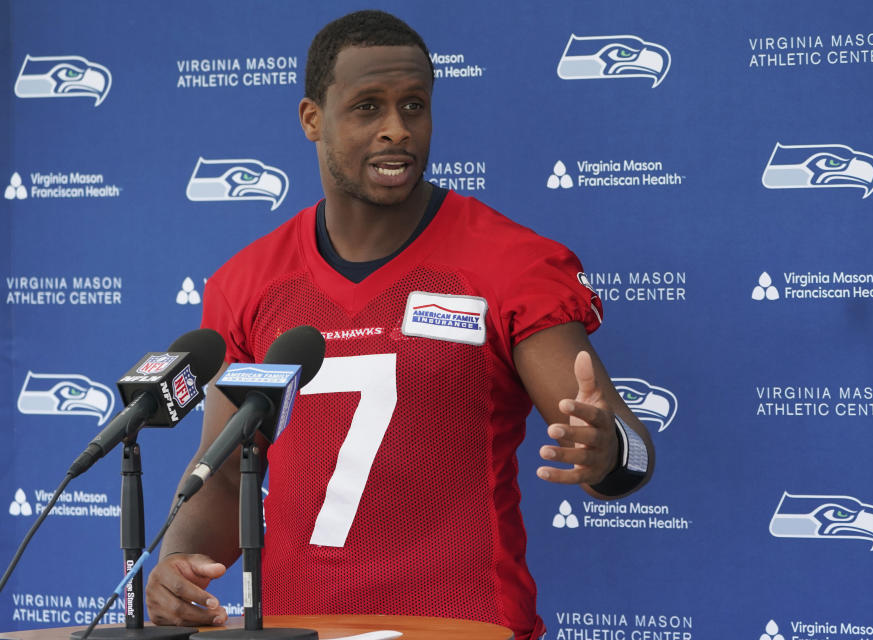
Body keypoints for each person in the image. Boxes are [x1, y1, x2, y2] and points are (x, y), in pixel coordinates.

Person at [145, 10, 655, 640]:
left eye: (414, 106)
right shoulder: (248, 283)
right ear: (313, 119)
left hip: (459, 628)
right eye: (367, 108)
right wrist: (175, 564)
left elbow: (629, 450)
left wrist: (606, 452)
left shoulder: (510, 263)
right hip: (290, 627)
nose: (396, 130)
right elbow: (223, 471)